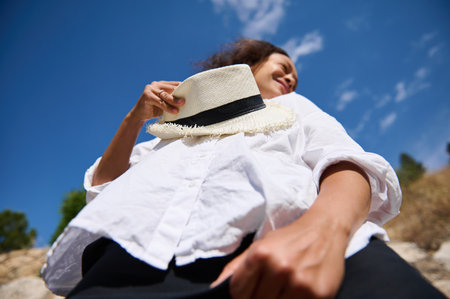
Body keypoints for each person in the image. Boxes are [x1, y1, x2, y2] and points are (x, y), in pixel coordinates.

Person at [42, 39, 445, 299]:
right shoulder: (172, 136)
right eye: (282, 65)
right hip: (131, 269)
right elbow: (105, 187)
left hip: (302, 250)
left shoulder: (295, 109)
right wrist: (135, 117)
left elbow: (345, 163)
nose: (291, 76)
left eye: (295, 75)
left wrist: (323, 232)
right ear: (248, 65)